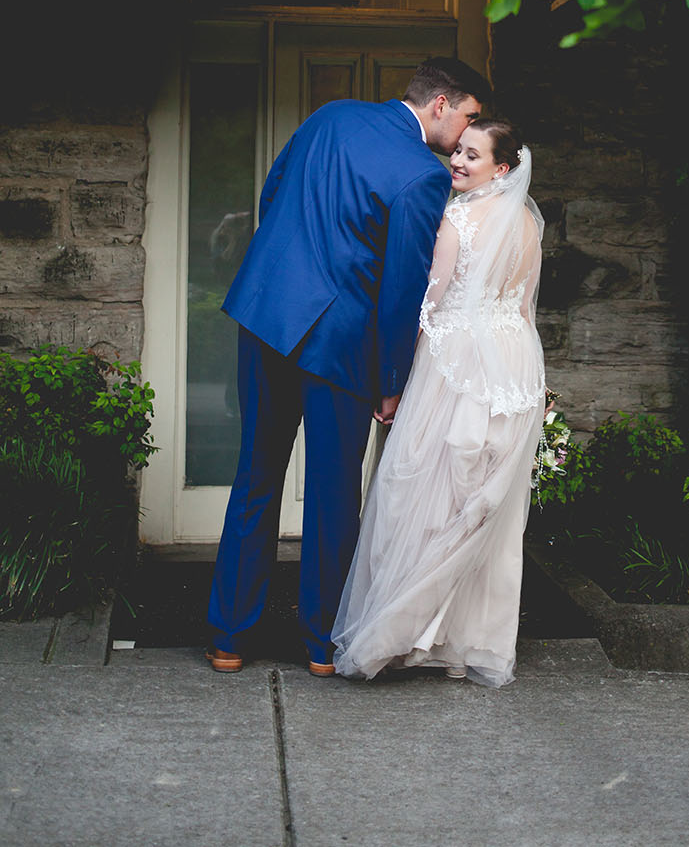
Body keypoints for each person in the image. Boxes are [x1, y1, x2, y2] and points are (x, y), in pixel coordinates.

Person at [205, 57, 490, 675]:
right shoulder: (422, 175)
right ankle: (319, 646)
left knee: (255, 475)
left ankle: (228, 638)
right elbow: (402, 289)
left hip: (267, 316)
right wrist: (391, 383)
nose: (469, 131)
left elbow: (272, 194)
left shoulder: (330, 117)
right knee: (333, 495)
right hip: (339, 344)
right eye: (469, 114)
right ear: (440, 103)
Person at [331, 118, 545, 688]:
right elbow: (524, 309)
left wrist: (399, 376)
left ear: (502, 168)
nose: (457, 161)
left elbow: (431, 300)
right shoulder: (526, 223)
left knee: (424, 486)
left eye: (472, 156)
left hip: (458, 362)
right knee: (480, 503)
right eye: (458, 151)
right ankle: (459, 642)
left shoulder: (458, 218)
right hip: (513, 362)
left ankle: (401, 632)